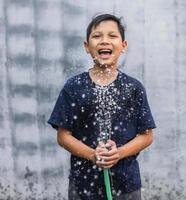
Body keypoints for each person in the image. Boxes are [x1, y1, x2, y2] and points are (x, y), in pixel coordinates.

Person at [48, 13, 156, 200]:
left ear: (123, 46)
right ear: (86, 46)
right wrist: (92, 155)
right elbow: (63, 136)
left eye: (112, 36)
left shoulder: (133, 88)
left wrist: (119, 153)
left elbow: (146, 136)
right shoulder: (73, 87)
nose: (104, 41)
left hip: (126, 185)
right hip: (83, 185)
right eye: (97, 36)